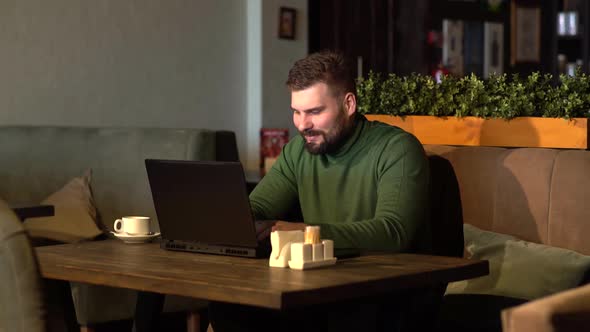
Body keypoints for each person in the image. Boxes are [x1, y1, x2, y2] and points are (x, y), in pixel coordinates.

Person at [209, 51, 431, 332]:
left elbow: (394, 232)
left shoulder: (397, 149)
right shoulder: (296, 152)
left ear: (348, 104)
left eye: (315, 112)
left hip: (386, 293)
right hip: (320, 287)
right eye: (296, 112)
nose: (302, 125)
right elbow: (253, 211)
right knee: (230, 308)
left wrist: (306, 233)